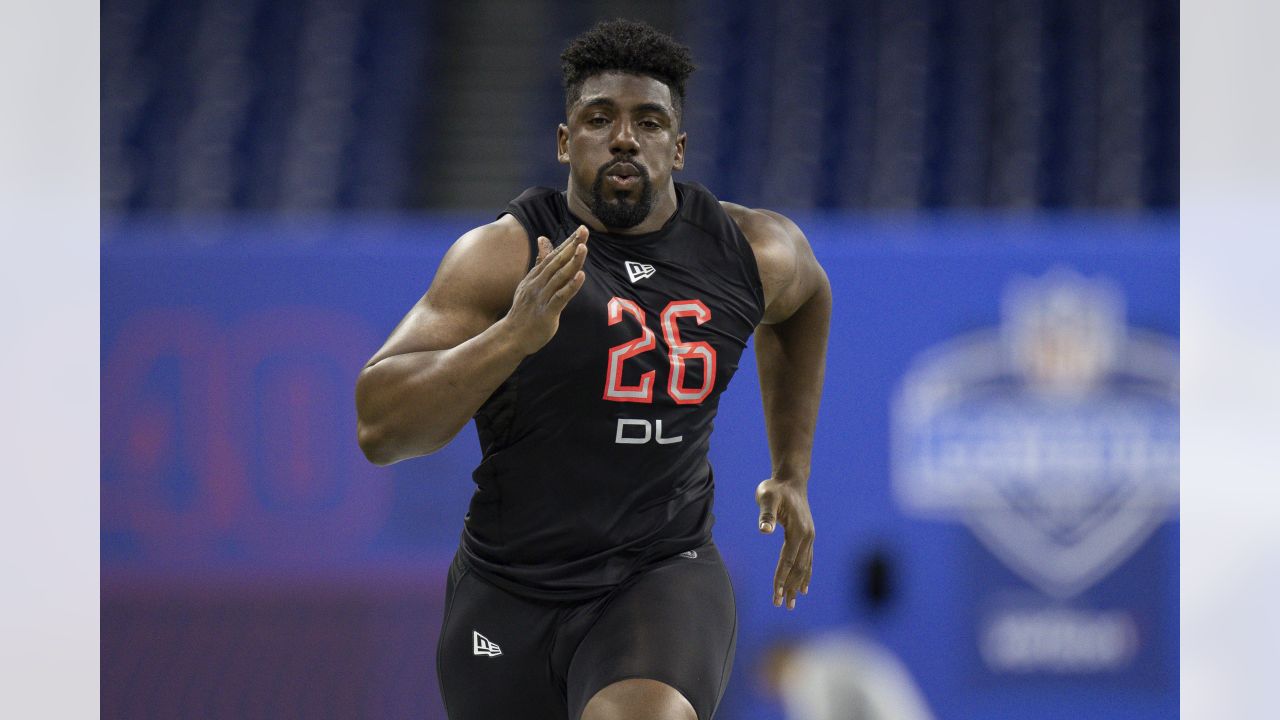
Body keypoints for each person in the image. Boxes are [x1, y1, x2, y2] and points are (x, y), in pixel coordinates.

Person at [355, 19, 830, 720]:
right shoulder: (502, 257)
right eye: (599, 118)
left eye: (648, 120)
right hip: (509, 586)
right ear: (563, 141)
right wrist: (511, 338)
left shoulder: (750, 250)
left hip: (660, 573)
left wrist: (791, 469)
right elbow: (381, 429)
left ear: (678, 146)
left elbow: (806, 302)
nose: (624, 137)